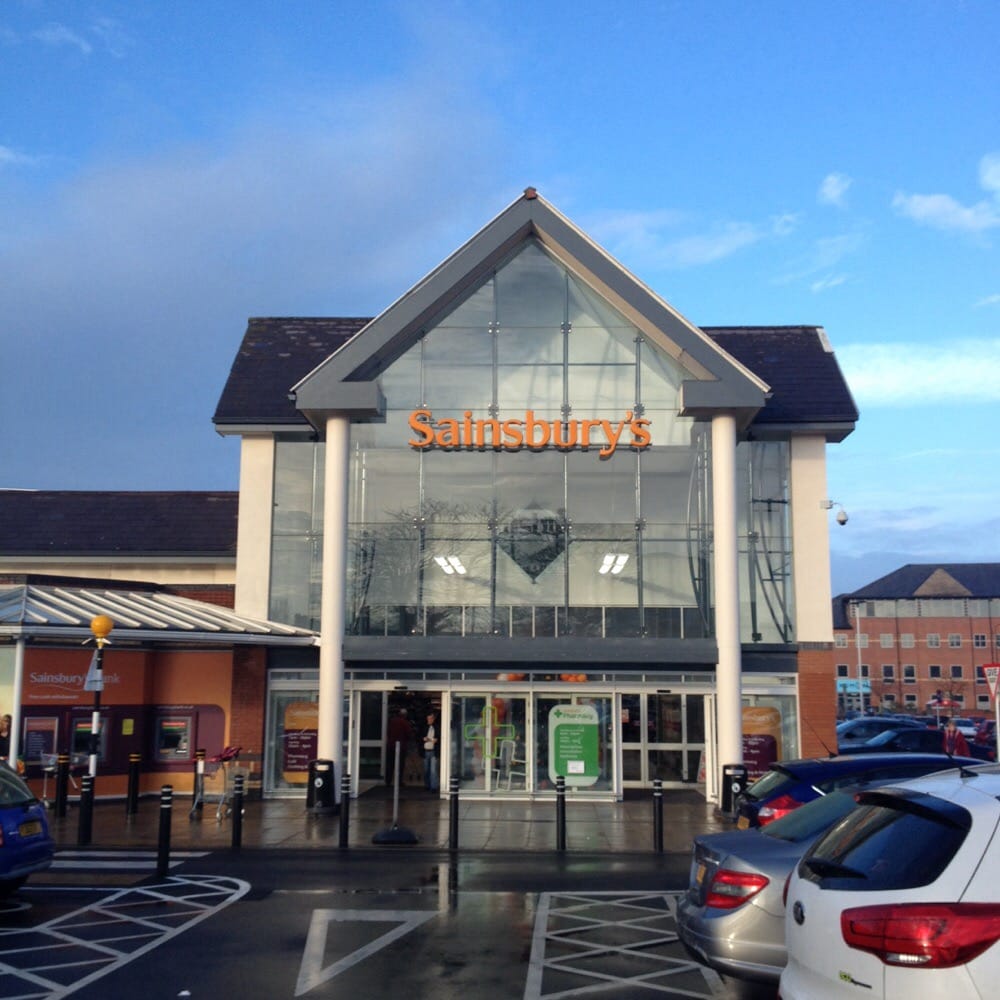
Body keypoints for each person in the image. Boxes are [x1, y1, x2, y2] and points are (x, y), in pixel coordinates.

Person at [386, 708, 414, 786]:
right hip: (401, 746)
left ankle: (388, 781)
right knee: (400, 765)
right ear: (405, 715)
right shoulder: (405, 723)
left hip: (391, 745)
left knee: (390, 764)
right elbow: (409, 734)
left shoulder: (392, 721)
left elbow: (388, 732)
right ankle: (398, 781)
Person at [420, 711, 440, 792]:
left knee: (433, 770)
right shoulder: (424, 727)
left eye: (431, 718)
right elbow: (419, 737)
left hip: (433, 751)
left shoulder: (437, 728)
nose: (429, 720)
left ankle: (433, 787)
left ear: (434, 719)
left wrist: (434, 740)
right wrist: (423, 739)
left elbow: (439, 738)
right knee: (426, 770)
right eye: (428, 718)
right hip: (426, 751)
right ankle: (427, 785)